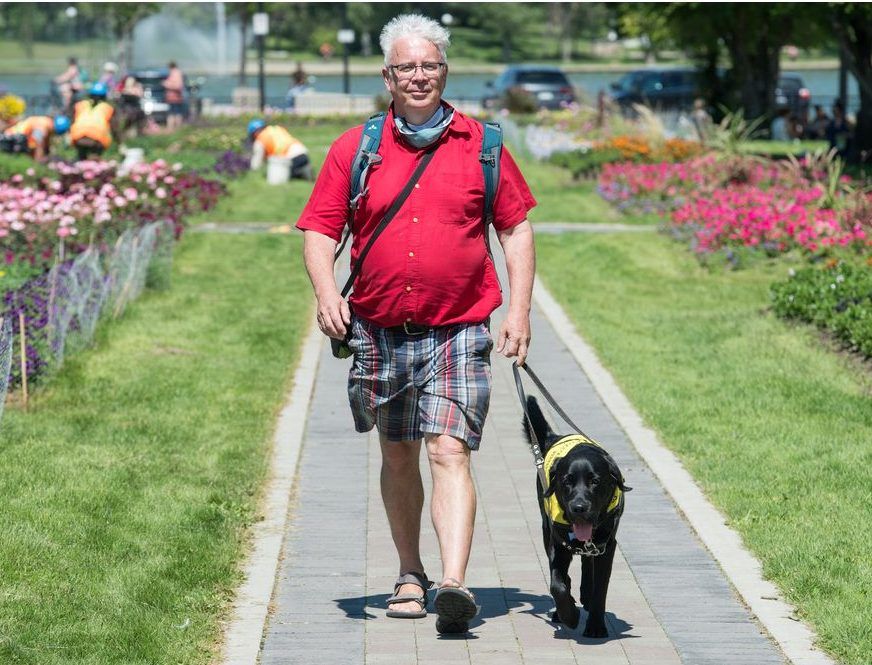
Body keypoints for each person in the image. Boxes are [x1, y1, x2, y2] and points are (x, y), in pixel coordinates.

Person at [296, 13, 536, 634]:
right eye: (407, 67)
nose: (419, 76)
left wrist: (520, 309)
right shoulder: (358, 149)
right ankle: (410, 572)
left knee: (448, 448)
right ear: (388, 76)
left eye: (429, 65)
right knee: (398, 453)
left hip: (458, 328)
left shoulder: (483, 144)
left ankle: (453, 584)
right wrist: (327, 294)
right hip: (379, 330)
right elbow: (322, 230)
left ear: (444, 70)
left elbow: (514, 226)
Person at [247, 119, 312, 180]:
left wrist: (253, 170)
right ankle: (303, 168)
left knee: (278, 175)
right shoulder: (277, 128)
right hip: (303, 152)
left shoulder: (259, 141)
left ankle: (300, 172)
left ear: (254, 133)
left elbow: (256, 161)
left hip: (290, 158)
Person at [70, 82, 116, 161]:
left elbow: (73, 121)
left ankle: (80, 165)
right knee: (95, 159)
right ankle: (94, 165)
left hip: (77, 137)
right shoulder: (107, 108)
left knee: (81, 157)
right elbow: (114, 128)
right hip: (97, 139)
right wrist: (119, 143)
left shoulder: (80, 105)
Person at [1, 114, 70, 160]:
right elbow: (37, 141)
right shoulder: (43, 125)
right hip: (12, 139)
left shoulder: (46, 122)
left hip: (13, 138)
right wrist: (38, 161)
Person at [162, 61, 185, 131]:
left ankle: (174, 129)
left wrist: (166, 84)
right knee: (173, 113)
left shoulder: (176, 73)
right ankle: (172, 129)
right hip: (172, 97)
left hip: (175, 97)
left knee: (175, 113)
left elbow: (178, 85)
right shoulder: (175, 73)